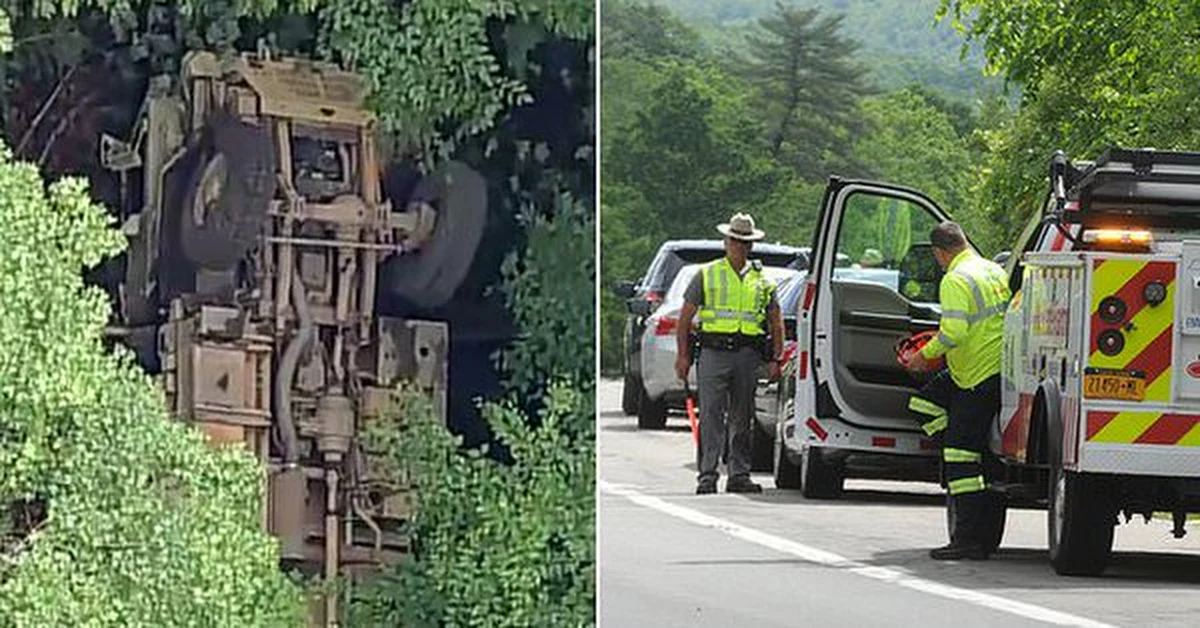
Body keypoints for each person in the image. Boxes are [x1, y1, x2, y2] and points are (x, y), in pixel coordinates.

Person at [906, 221, 1011, 560]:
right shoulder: (992, 269)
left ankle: (966, 540)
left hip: (974, 376)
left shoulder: (954, 279)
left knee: (961, 460)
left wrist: (924, 356)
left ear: (940, 253)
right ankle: (983, 537)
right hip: (995, 370)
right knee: (923, 404)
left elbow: (953, 332)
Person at [675, 213, 785, 495]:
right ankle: (707, 475)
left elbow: (776, 321)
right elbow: (685, 318)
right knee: (711, 415)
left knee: (742, 417)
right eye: (735, 241)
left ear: (751, 246)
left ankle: (739, 474)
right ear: (726, 242)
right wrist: (683, 356)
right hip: (713, 353)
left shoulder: (762, 280)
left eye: (744, 242)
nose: (739, 246)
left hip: (747, 355)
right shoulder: (708, 273)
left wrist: (776, 358)